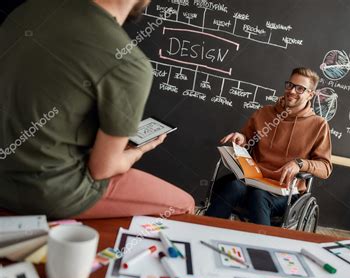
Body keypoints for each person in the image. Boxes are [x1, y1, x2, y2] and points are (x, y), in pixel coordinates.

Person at [0, 0, 194, 219]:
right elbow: (103, 169)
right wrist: (138, 151)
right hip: (46, 192)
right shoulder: (130, 64)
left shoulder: (28, 9)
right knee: (184, 204)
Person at [205, 67, 332, 226]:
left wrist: (300, 163)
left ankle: (262, 246)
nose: (292, 91)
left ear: (310, 94)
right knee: (233, 187)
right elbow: (247, 138)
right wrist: (241, 138)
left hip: (285, 191)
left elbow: (325, 167)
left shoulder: (319, 125)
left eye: (300, 88)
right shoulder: (264, 113)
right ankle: (202, 231)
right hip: (254, 179)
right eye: (290, 85)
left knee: (258, 196)